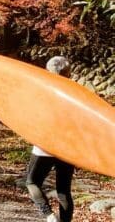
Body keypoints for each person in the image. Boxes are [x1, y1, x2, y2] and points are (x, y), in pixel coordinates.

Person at [26, 56, 75, 222]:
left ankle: (49, 216)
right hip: (68, 147)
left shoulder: (43, 90)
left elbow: (33, 115)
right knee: (63, 190)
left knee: (32, 182)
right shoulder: (77, 93)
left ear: (50, 71)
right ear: (68, 72)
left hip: (45, 144)